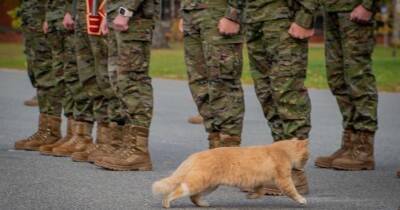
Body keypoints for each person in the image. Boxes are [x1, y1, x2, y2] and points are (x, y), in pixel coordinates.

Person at [243, 0, 318, 195]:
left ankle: (295, 173)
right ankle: (280, 167)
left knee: (288, 94)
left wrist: (305, 17)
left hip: (284, 19)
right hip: (255, 20)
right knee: (267, 94)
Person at [93, 0, 159, 171]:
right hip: (118, 13)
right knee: (118, 81)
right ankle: (126, 145)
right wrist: (109, 15)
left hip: (134, 17)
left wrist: (125, 11)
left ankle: (138, 150)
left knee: (133, 81)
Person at [315, 0, 378, 171]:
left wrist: (368, 5)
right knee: (337, 77)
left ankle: (364, 148)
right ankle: (350, 144)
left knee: (358, 77)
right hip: (331, 8)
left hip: (354, 7)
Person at [180, 0, 245, 149]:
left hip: (219, 12)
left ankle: (229, 148)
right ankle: (215, 145)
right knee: (199, 82)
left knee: (223, 80)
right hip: (193, 13)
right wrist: (186, 12)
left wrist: (233, 14)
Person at [15, 0, 63, 151]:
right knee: (38, 71)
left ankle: (51, 131)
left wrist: (49, 17)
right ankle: (45, 129)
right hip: (34, 18)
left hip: (46, 17)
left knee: (46, 72)